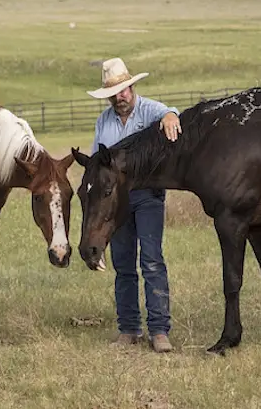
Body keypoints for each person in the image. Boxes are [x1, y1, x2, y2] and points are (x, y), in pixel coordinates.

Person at [86, 57, 181, 353]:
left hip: (148, 195)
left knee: (152, 260)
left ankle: (159, 330)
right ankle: (128, 328)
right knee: (123, 263)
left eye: (124, 91)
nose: (120, 97)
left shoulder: (150, 110)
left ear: (132, 87)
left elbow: (170, 113)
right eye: (114, 93)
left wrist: (170, 117)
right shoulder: (104, 121)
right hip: (117, 201)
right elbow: (96, 164)